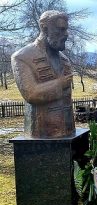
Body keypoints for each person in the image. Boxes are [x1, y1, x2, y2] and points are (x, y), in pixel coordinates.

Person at [11, 10, 75, 138]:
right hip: (41, 134)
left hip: (67, 132)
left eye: (66, 30)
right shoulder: (22, 57)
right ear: (44, 28)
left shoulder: (65, 59)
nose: (66, 34)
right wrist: (60, 83)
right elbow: (31, 94)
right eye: (61, 30)